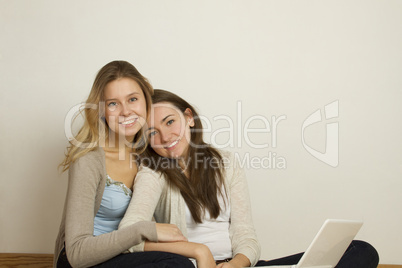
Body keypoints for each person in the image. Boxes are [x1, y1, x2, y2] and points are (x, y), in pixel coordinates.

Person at [119, 89, 379, 268]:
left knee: (362, 251)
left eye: (169, 122)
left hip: (239, 264)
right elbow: (128, 236)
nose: (165, 137)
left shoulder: (226, 162)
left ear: (188, 118)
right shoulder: (152, 172)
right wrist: (198, 252)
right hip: (190, 267)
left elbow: (245, 233)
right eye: (152, 132)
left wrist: (236, 263)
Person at [54, 62, 194, 268]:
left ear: (146, 99)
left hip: (126, 256)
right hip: (82, 261)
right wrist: (143, 230)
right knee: (176, 265)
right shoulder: (89, 159)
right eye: (113, 104)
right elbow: (77, 253)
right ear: (101, 110)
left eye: (133, 99)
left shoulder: (150, 153)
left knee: (179, 263)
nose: (126, 112)